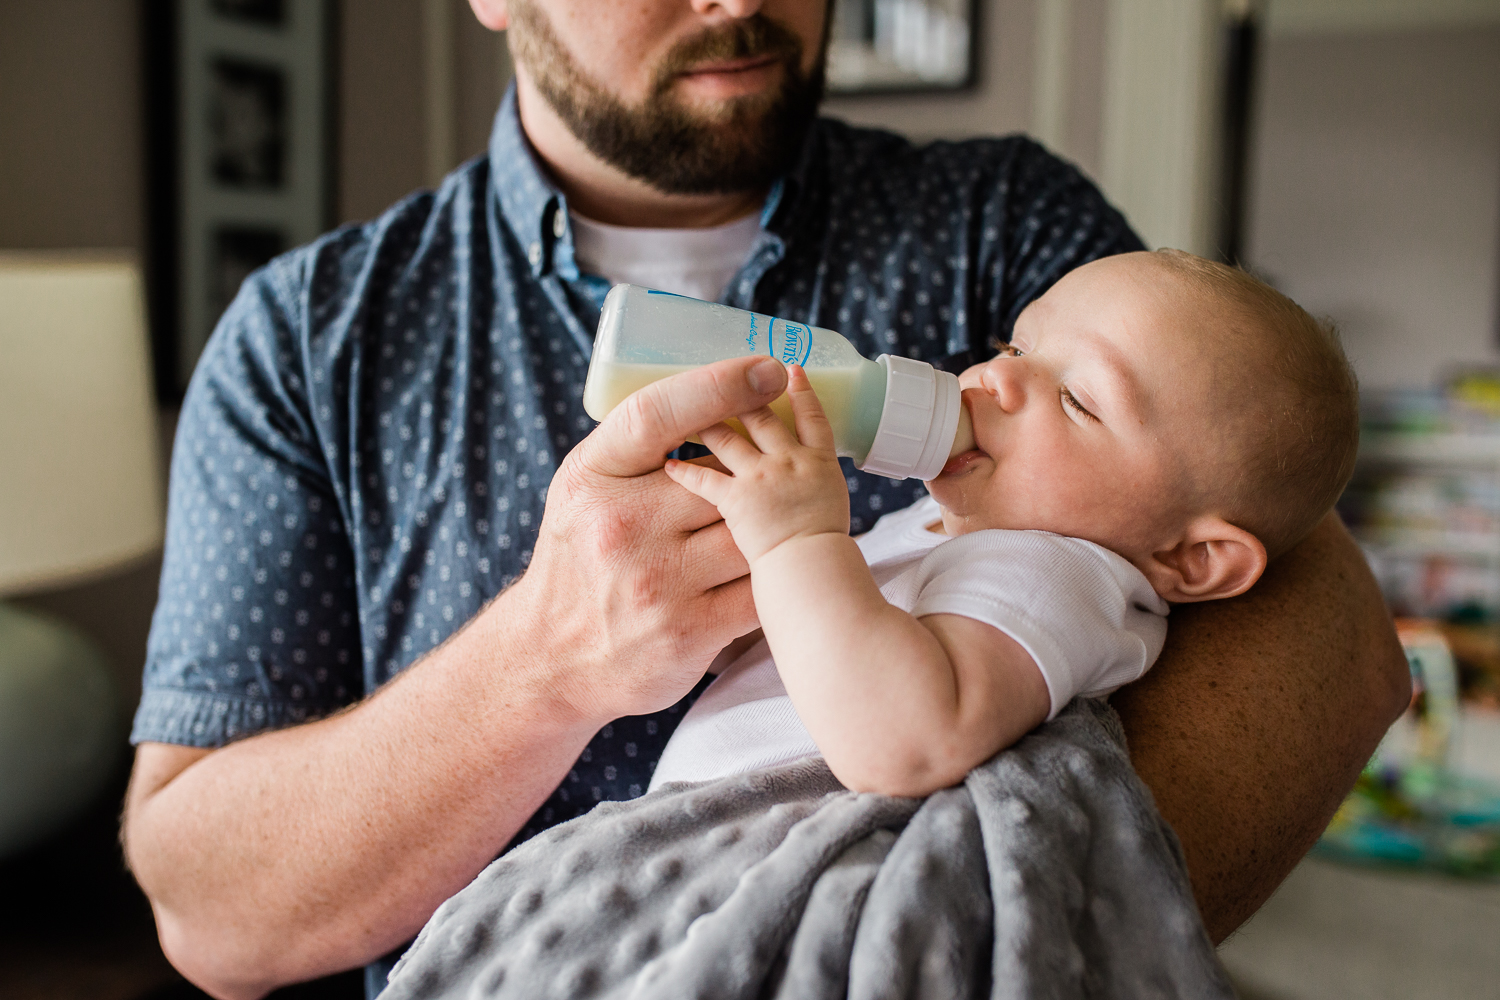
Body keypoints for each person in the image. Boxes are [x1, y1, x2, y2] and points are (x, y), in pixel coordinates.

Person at [118, 2, 1409, 998]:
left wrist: (950, 941)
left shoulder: (998, 219)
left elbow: (1327, 637)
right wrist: (547, 664)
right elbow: (212, 919)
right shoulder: (311, 335)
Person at [649, 249, 1359, 795]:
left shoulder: (1059, 572)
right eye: (1018, 347)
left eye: (1079, 398)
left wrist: (794, 542)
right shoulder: (935, 521)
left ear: (1194, 558)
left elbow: (906, 742)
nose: (996, 377)